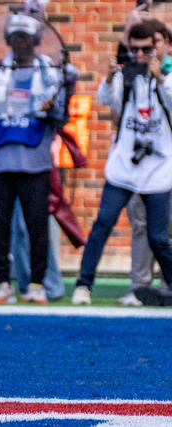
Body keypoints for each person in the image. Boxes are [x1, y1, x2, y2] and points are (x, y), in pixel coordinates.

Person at [72, 21, 172, 305]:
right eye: (135, 49)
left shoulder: (168, 75)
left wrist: (161, 80)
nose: (140, 55)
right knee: (103, 222)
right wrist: (107, 78)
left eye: (146, 49)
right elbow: (107, 99)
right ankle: (83, 285)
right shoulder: (126, 76)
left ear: (158, 48)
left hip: (158, 171)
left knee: (158, 238)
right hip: (124, 168)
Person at [0, 13, 69, 305]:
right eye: (15, 36)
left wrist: (52, 106)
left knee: (37, 226)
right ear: (8, 39)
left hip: (35, 161)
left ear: (36, 40)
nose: (20, 42)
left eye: (26, 36)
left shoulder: (49, 72)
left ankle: (37, 284)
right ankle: (3, 283)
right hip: (0, 160)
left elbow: (60, 116)